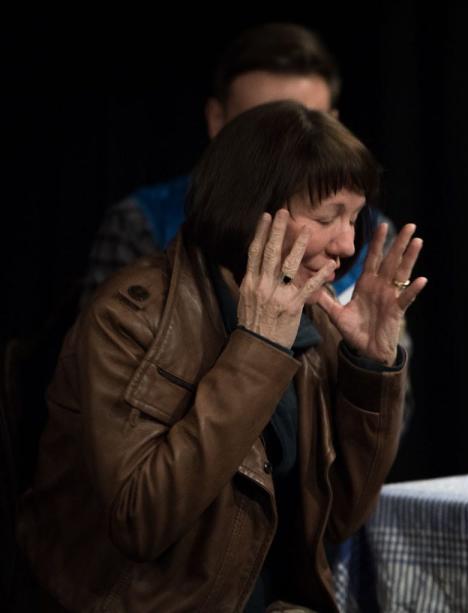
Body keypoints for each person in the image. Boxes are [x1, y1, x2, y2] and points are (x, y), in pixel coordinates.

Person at [17, 101, 426, 612]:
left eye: (354, 217)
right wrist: (257, 352)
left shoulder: (307, 316)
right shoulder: (127, 319)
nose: (347, 243)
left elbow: (338, 519)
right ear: (255, 210)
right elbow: (141, 522)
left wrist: (369, 369)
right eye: (328, 217)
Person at [80, 22, 389, 307]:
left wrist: (370, 360)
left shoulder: (371, 236)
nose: (288, 153)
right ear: (217, 119)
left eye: (310, 125)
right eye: (263, 130)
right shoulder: (142, 222)